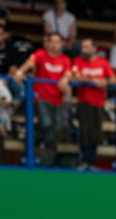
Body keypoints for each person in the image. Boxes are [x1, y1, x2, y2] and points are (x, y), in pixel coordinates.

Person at [14, 33, 72, 166]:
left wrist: (65, 78)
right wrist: (20, 72)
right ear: (48, 43)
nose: (55, 44)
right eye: (52, 41)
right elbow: (30, 62)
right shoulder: (41, 54)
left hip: (57, 100)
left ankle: (44, 156)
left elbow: (68, 72)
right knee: (47, 123)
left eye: (58, 42)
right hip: (40, 97)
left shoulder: (65, 59)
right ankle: (34, 148)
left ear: (61, 44)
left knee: (54, 129)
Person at [72, 38, 116, 170]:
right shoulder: (78, 61)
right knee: (84, 132)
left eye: (86, 47)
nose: (84, 49)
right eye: (83, 47)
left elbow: (113, 79)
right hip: (83, 102)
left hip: (98, 103)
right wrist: (93, 81)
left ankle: (91, 162)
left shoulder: (103, 63)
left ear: (94, 48)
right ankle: (83, 160)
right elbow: (76, 76)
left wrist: (104, 82)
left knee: (95, 132)